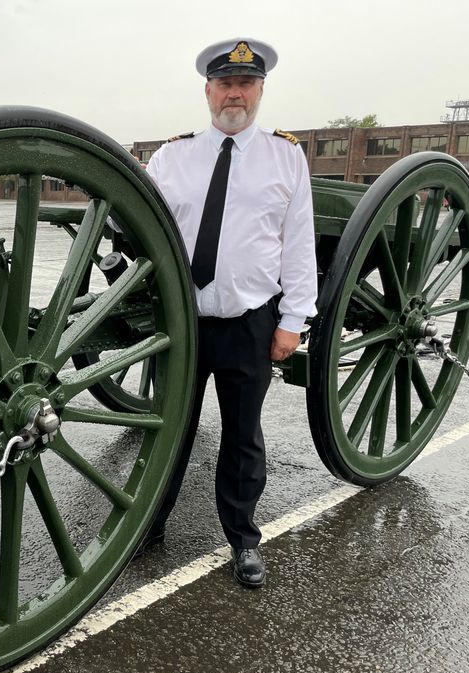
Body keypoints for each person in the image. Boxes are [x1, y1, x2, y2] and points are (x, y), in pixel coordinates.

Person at [140, 38, 317, 588]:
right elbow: (147, 235)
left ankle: (242, 539)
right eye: (225, 83)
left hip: (248, 322)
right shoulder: (172, 156)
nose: (234, 93)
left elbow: (298, 244)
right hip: (183, 323)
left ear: (260, 90)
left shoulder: (285, 156)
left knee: (242, 435)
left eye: (246, 84)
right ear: (208, 91)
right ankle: (147, 528)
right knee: (170, 431)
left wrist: (293, 321)